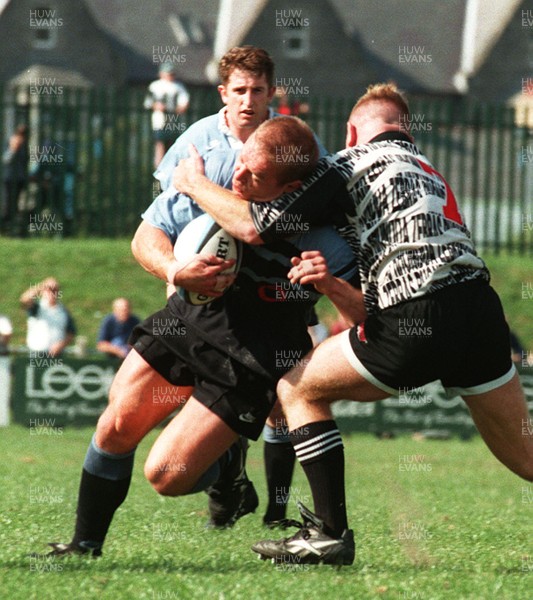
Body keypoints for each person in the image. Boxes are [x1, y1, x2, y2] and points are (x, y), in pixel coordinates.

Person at [173, 83, 533, 566]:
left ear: (351, 132)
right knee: (527, 456)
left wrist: (194, 182)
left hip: (415, 309)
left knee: (299, 390)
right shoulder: (429, 171)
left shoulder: (348, 163)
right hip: (480, 310)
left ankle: (329, 534)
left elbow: (257, 227)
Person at [41, 123, 360, 562]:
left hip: (250, 360)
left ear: (292, 188)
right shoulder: (216, 170)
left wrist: (329, 286)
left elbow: (365, 316)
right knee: (116, 425)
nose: (239, 177)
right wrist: (175, 270)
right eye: (242, 161)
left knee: (165, 476)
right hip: (185, 324)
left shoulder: (328, 239)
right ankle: (83, 546)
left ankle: (228, 466)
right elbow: (147, 234)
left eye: (256, 176)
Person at [155, 45, 328, 527]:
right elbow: (167, 217)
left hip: (276, 289)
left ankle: (274, 509)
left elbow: (318, 201)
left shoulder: (295, 142)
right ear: (223, 94)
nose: (249, 100)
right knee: (207, 397)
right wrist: (175, 273)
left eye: (258, 90)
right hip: (209, 292)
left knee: (281, 399)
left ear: (272, 92)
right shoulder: (196, 140)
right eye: (239, 91)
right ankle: (229, 475)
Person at [144, 62, 190, 169]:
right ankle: (159, 169)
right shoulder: (155, 86)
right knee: (159, 145)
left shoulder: (178, 87)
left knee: (172, 145)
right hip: (159, 121)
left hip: (174, 120)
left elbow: (184, 102)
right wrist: (157, 106)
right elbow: (148, 102)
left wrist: (178, 108)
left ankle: (170, 168)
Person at [20, 277, 76, 357]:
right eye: (49, 290)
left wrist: (60, 345)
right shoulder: (37, 307)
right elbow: (24, 299)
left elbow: (71, 333)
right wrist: (41, 286)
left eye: (54, 290)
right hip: (36, 354)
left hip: (56, 355)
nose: (51, 293)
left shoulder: (63, 311)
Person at [2, 124, 29, 234]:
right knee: (9, 203)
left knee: (17, 203)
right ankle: (6, 225)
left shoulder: (25, 146)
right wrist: (13, 149)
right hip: (10, 178)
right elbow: (5, 160)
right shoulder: (10, 142)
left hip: (20, 179)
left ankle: (14, 226)